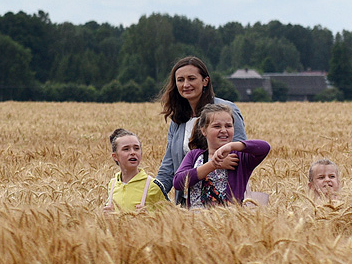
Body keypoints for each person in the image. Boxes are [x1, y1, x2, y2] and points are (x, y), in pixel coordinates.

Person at [156, 56, 247, 207]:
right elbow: (169, 167)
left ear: (205, 81)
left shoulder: (225, 110)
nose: (186, 84)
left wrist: (215, 163)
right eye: (180, 80)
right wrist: (148, 196)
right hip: (188, 203)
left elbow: (242, 151)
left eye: (191, 78)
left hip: (224, 201)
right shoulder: (178, 120)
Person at [175, 102, 270, 208]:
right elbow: (178, 182)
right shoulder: (194, 155)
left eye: (228, 126)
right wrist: (214, 164)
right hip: (197, 220)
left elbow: (264, 147)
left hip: (228, 221)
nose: (224, 130)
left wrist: (232, 146)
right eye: (217, 126)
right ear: (203, 130)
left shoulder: (239, 157)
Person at [102, 127, 169, 212]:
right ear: (115, 156)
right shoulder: (112, 184)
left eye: (136, 148)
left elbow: (170, 217)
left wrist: (149, 216)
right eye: (126, 149)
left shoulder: (152, 185)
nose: (133, 152)